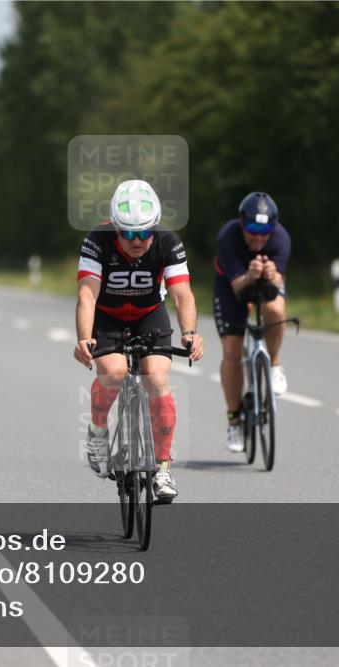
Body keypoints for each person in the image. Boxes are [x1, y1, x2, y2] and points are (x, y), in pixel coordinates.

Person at [73, 179, 204, 501]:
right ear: (115, 228)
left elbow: (181, 293)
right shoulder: (97, 240)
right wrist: (84, 339)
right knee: (114, 373)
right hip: (107, 315)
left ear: (154, 228)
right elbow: (87, 296)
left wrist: (189, 333)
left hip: (149, 313)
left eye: (144, 233)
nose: (137, 240)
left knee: (158, 379)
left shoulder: (168, 241)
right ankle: (98, 432)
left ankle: (162, 469)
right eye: (128, 233)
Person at [213, 192, 291, 453]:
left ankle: (275, 364)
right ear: (242, 224)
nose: (259, 237)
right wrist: (249, 275)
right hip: (232, 286)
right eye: (253, 230)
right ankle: (234, 419)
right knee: (232, 351)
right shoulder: (228, 237)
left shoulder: (281, 239)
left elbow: (279, 283)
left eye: (265, 231)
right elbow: (237, 288)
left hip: (264, 282)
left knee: (275, 309)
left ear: (274, 228)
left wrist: (272, 276)